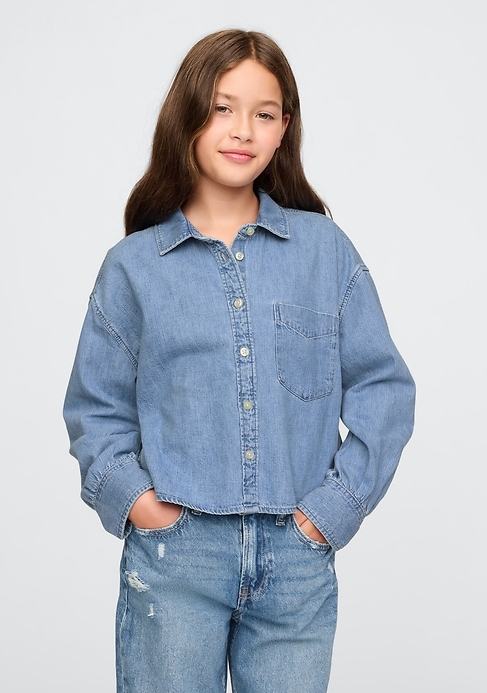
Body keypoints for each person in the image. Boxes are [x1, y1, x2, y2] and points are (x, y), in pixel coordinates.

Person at [63, 28, 416, 693]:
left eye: (265, 113)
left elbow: (384, 389)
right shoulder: (134, 267)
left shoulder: (324, 251)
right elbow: (95, 409)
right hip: (176, 558)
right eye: (222, 107)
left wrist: (330, 512)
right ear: (188, 117)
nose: (242, 130)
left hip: (295, 560)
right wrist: (140, 505)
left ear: (285, 129)